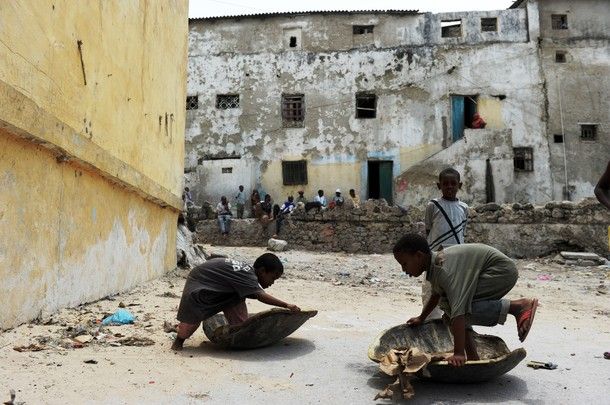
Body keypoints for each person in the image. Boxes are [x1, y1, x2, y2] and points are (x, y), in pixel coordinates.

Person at [393, 234, 538, 367]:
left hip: (500, 271)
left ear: (419, 256)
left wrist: (458, 353)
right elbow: (436, 295)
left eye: (405, 264)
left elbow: (458, 311)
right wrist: (422, 317)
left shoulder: (443, 270)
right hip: (491, 270)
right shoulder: (435, 267)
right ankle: (473, 357)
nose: (403, 269)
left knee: (458, 311)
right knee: (452, 311)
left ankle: (518, 306)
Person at [172, 253, 301, 350]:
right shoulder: (248, 275)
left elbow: (254, 294)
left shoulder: (246, 274)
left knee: (240, 314)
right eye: (272, 278)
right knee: (188, 327)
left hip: (214, 285)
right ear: (262, 271)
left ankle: (235, 330)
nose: (272, 283)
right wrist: (286, 305)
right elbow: (260, 295)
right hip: (199, 284)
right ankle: (178, 342)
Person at [423, 168, 469, 318]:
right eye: (445, 184)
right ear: (439, 186)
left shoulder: (464, 208)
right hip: (436, 256)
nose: (449, 187)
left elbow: (462, 231)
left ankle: (450, 323)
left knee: (452, 292)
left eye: (453, 183)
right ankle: (431, 322)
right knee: (432, 290)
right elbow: (429, 229)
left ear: (459, 185)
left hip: (456, 257)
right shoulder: (433, 206)